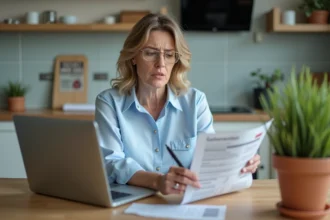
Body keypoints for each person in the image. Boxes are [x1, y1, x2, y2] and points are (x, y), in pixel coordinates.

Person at [95, 13, 260, 195]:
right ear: (133, 56)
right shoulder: (109, 102)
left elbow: (209, 159)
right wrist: (158, 181)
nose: (161, 64)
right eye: (150, 53)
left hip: (182, 202)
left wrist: (239, 161)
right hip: (128, 201)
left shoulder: (195, 102)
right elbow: (111, 162)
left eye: (169, 55)